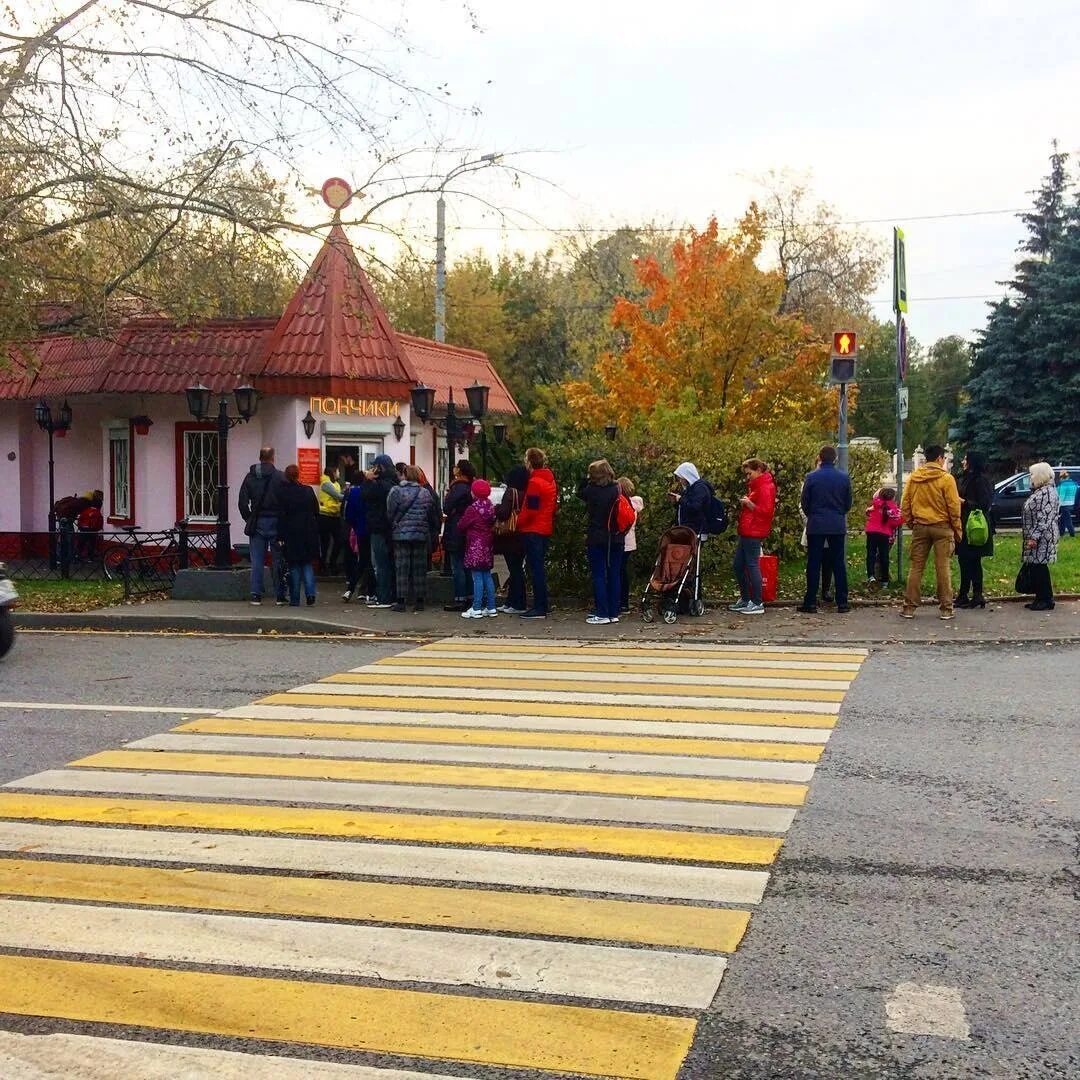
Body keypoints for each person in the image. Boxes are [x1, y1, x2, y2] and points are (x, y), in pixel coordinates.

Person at [900, 443, 962, 620]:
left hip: (920, 526)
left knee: (916, 567)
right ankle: (946, 609)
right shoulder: (946, 479)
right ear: (940, 458)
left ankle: (909, 608)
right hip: (942, 527)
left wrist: (912, 523)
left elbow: (905, 504)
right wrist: (957, 529)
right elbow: (953, 506)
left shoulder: (914, 477)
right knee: (943, 568)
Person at [798, 446, 852, 615]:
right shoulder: (843, 478)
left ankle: (811, 602)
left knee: (814, 564)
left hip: (816, 524)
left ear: (819, 458)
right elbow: (847, 503)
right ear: (835, 459)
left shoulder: (811, 477)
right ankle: (842, 602)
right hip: (836, 523)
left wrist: (813, 515)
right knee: (838, 564)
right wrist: (838, 513)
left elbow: (805, 501)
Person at [386, 465, 439, 613]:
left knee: (402, 567)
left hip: (401, 534)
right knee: (419, 568)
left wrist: (396, 524)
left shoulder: (396, 491)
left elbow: (390, 512)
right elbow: (430, 513)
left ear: (404, 475)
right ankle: (420, 601)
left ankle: (401, 601)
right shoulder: (425, 493)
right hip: (420, 534)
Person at [578, 459, 624, 625]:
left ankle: (602, 612)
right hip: (617, 537)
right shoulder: (618, 489)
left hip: (597, 537)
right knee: (614, 575)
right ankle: (613, 612)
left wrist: (585, 478)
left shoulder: (592, 490)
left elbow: (579, 492)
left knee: (598, 574)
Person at [237, 447, 286, 606]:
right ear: (273, 458)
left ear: (260, 458)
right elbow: (286, 501)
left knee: (257, 560)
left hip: (257, 521)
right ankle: (279, 596)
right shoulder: (280, 476)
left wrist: (249, 518)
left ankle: (256, 595)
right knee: (277, 559)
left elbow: (242, 502)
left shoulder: (250, 477)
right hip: (277, 522)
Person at [731, 458, 776, 616]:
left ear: (758, 470)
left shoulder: (765, 487)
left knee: (751, 565)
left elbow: (767, 511)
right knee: (738, 565)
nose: (747, 477)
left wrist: (750, 504)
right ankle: (746, 598)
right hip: (748, 529)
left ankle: (756, 601)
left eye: (749, 473)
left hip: (754, 530)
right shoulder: (759, 486)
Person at [517, 447, 557, 619]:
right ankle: (543, 604)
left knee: (535, 569)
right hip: (544, 527)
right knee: (539, 568)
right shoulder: (550, 480)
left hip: (532, 529)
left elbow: (531, 509)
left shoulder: (534, 483)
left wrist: (518, 522)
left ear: (529, 462)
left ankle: (539, 607)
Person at [955, 453, 994, 608]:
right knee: (964, 560)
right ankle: (964, 594)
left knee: (973, 560)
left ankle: (977, 595)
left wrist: (964, 502)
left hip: (975, 525)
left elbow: (984, 504)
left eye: (966, 459)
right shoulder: (965, 478)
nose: (963, 461)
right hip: (965, 524)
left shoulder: (981, 480)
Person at [359, 454, 398, 609]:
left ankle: (383, 597)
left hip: (378, 528)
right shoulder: (394, 482)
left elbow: (365, 495)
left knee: (380, 564)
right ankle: (392, 595)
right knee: (390, 564)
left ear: (380, 468)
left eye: (374, 466)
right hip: (391, 528)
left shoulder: (379, 485)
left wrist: (367, 480)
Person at [278, 464, 320, 606]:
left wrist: (280, 536)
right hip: (308, 532)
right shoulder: (308, 491)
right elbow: (316, 510)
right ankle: (310, 594)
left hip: (291, 533)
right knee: (307, 564)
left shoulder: (284, 493)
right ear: (298, 474)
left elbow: (281, 516)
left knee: (294, 565)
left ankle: (295, 598)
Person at [1021, 461, 1060, 611]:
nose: (1030, 477)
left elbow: (1044, 518)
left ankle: (1045, 599)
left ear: (1040, 475)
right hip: (1038, 536)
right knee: (1037, 567)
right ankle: (1040, 597)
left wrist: (1034, 537)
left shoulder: (1047, 493)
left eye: (1032, 474)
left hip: (1042, 537)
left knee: (1039, 568)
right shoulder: (1041, 491)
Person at [458, 478, 498, 618]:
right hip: (487, 545)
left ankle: (476, 607)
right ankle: (491, 607)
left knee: (477, 577)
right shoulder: (490, 507)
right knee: (487, 576)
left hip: (475, 545)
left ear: (474, 493)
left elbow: (461, 525)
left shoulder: (472, 509)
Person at [441, 460, 477, 612]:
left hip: (456, 529)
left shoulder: (457, 487)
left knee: (458, 566)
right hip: (467, 530)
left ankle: (460, 598)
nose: (453, 468)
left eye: (456, 466)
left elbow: (447, 507)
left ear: (460, 471)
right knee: (467, 566)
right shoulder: (470, 487)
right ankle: (470, 596)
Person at [495, 466, 529, 614]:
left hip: (510, 536)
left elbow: (503, 513)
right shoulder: (527, 493)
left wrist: (496, 508)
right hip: (522, 534)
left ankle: (517, 603)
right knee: (517, 569)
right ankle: (512, 601)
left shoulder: (510, 492)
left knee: (514, 570)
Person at [342, 471, 374, 603]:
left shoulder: (353, 493)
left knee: (362, 561)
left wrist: (356, 527)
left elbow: (348, 514)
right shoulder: (374, 491)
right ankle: (370, 592)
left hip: (361, 530)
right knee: (373, 563)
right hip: (375, 531)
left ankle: (351, 588)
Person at [864, 486, 902, 588]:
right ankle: (884, 580)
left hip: (871, 531)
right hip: (884, 534)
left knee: (871, 554)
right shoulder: (893, 509)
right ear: (893, 498)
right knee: (884, 556)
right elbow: (897, 521)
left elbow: (869, 510)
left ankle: (871, 576)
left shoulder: (875, 505)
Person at [617, 477, 644, 614]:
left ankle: (620, 602)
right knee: (622, 572)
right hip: (630, 541)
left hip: (623, 541)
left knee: (618, 571)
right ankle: (624, 602)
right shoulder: (634, 505)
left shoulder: (623, 504)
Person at [317, 464, 344, 574]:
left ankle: (332, 564)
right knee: (325, 543)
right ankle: (324, 566)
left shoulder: (336, 484)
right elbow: (338, 496)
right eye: (338, 471)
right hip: (325, 515)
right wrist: (349, 495)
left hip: (335, 515)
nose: (339, 473)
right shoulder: (326, 483)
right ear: (333, 472)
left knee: (338, 540)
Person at [672, 462, 712, 534]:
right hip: (687, 529)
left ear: (687, 476)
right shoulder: (689, 488)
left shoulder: (700, 488)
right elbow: (686, 506)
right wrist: (676, 502)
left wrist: (681, 499)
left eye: (681, 478)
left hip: (696, 530)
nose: (680, 481)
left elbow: (694, 507)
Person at [75, 491, 104, 562]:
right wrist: (98, 529)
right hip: (92, 530)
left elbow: (80, 519)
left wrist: (80, 527)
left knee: (81, 543)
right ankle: (91, 557)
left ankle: (78, 556)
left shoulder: (85, 511)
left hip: (83, 529)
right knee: (92, 543)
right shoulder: (98, 513)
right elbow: (99, 522)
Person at [1058, 470, 1077, 538]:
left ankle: (1072, 535)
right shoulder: (1073, 483)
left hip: (1064, 505)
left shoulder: (1063, 485)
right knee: (1062, 520)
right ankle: (1061, 534)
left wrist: (1058, 507)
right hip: (1071, 504)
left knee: (1068, 521)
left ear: (1062, 477)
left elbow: (1061, 497)